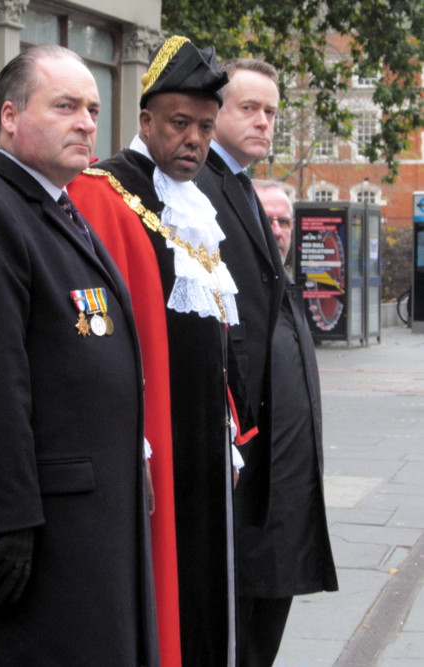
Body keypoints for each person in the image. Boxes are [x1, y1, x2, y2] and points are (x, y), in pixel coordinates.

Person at [0, 45, 159, 667]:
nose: (87, 121)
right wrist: (10, 521)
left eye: (91, 107)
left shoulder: (60, 207)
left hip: (97, 509)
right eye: (64, 106)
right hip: (49, 524)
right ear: (9, 116)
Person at [68, 36, 256, 667]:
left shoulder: (199, 206)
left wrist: (228, 421)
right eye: (180, 124)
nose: (194, 141)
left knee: (208, 583)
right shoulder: (101, 193)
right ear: (145, 120)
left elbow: (213, 332)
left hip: (203, 433)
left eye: (205, 127)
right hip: (150, 435)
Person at [234, 179, 338, 666]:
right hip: (247, 510)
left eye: (284, 222)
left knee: (264, 644)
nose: (276, 230)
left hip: (291, 508)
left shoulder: (288, 291)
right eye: (266, 219)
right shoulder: (232, 297)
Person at [196, 59, 285, 534]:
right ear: (217, 110)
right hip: (228, 418)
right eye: (249, 107)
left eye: (271, 112)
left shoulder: (244, 186)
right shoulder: (197, 186)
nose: (263, 122)